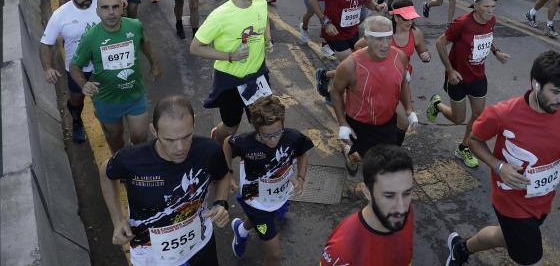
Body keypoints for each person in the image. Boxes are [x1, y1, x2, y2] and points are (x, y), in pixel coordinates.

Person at [444, 51, 560, 266]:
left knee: (506, 237)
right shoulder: (502, 114)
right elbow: (473, 140)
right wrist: (498, 166)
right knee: (531, 259)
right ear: (535, 84)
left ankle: (462, 248)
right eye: (555, 92)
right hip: (511, 201)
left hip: (543, 197)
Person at [100, 96, 231, 266]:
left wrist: (221, 202)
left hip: (200, 244)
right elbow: (105, 171)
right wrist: (117, 220)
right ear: (154, 131)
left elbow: (223, 175)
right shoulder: (131, 159)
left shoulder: (209, 151)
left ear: (193, 125)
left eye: (186, 136)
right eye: (170, 140)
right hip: (151, 255)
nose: (180, 148)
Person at [427, 0, 511, 169]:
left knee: (478, 114)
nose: (490, 11)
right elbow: (440, 43)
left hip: (478, 76)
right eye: (486, 6)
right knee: (458, 119)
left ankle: (464, 147)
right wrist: (450, 70)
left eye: (493, 7)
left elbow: (488, 36)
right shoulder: (463, 23)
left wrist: (496, 52)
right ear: (476, 5)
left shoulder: (491, 21)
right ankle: (437, 105)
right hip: (457, 78)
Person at [224, 96, 314, 263]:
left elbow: (302, 153)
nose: (273, 140)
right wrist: (228, 174)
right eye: (267, 136)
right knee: (274, 255)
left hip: (278, 195)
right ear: (257, 129)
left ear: (283, 124)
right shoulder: (245, 142)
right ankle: (246, 229)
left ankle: (241, 230)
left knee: (264, 215)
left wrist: (300, 178)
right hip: (254, 198)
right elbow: (227, 144)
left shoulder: (293, 137)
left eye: (278, 133)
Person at [190, 0, 272, 145]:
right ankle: (217, 143)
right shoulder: (220, 16)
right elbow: (195, 47)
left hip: (258, 75)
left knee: (264, 122)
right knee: (230, 126)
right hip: (230, 80)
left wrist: (268, 38)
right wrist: (230, 56)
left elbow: (264, 18)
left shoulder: (260, 2)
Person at [70, 0, 161, 152]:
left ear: (122, 7)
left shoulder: (135, 25)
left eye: (115, 7)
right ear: (97, 11)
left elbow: (144, 42)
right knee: (115, 138)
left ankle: (135, 161)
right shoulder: (90, 37)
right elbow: (75, 66)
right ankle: (121, 161)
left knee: (140, 137)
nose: (111, 12)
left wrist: (154, 63)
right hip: (107, 100)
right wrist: (83, 85)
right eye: (105, 8)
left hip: (135, 95)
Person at [331, 15, 417, 174]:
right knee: (359, 156)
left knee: (382, 163)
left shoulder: (400, 56)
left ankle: (374, 193)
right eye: (378, 39)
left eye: (388, 38)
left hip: (388, 121)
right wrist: (342, 123)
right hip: (360, 124)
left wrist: (409, 110)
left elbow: (404, 82)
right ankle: (351, 156)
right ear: (366, 38)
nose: (385, 45)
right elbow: (335, 91)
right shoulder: (350, 65)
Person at [321, 145, 415, 266]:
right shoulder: (341, 251)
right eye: (389, 196)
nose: (402, 208)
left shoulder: (404, 213)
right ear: (366, 192)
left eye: (407, 193)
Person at [39, 0, 100, 144]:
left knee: (109, 96)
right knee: (77, 98)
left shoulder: (102, 4)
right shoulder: (60, 15)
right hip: (77, 68)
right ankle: (76, 120)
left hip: (104, 65)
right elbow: (45, 43)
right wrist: (48, 68)